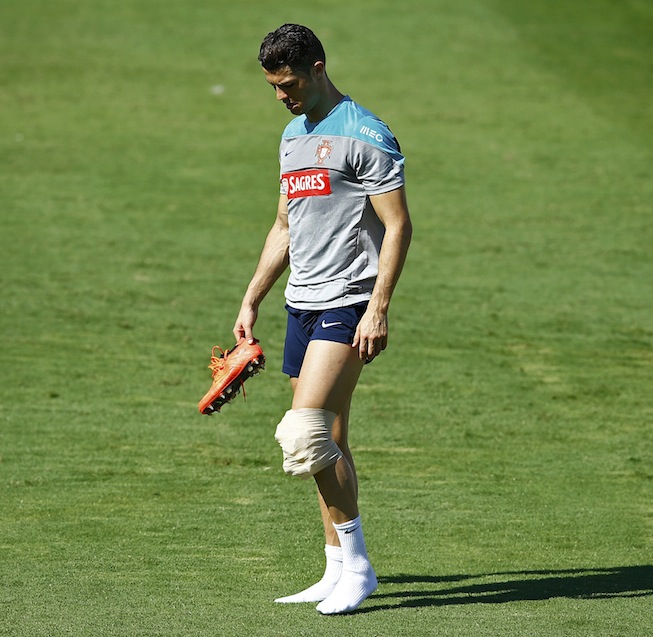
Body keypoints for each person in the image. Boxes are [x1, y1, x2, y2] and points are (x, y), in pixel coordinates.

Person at [232, 24, 412, 615]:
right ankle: (335, 567)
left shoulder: (366, 133)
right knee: (330, 439)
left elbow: (399, 225)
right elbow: (284, 226)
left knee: (303, 433)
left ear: (316, 67)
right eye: (273, 87)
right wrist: (253, 297)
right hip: (301, 302)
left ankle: (359, 567)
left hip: (348, 299)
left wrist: (379, 306)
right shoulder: (291, 134)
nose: (281, 96)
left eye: (288, 84)